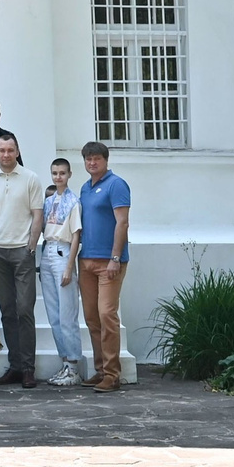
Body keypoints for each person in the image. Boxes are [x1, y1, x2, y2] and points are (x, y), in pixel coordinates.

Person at [0, 135, 43, 388]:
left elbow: (37, 215)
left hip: (22, 252)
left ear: (17, 151)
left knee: (25, 310)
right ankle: (15, 366)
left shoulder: (31, 178)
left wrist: (31, 244)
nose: (6, 154)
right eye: (2, 150)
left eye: (10, 150)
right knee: (7, 311)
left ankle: (28, 367)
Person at [77, 140, 132, 393]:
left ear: (105, 160)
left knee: (107, 314)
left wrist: (115, 258)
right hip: (86, 259)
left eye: (96, 158)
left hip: (109, 262)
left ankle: (112, 373)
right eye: (88, 159)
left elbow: (122, 223)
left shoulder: (116, 184)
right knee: (91, 317)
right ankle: (100, 370)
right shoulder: (85, 188)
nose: (92, 162)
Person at [40, 157, 84, 384]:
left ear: (69, 175)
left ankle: (74, 366)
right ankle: (65, 362)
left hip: (63, 252)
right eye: (55, 173)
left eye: (62, 173)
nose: (58, 177)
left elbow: (76, 234)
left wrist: (70, 266)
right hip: (47, 250)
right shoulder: (49, 201)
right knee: (53, 313)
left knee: (67, 313)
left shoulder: (73, 202)